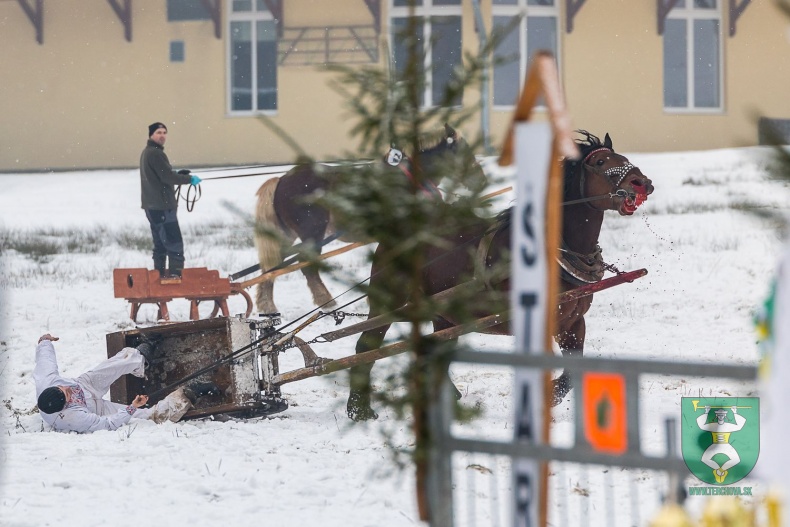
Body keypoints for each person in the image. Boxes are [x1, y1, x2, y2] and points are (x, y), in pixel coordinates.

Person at [34, 333, 214, 433]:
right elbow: (108, 424)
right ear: (65, 406)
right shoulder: (74, 419)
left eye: (62, 387)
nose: (67, 388)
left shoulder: (47, 380)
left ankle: (143, 353)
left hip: (85, 385)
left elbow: (45, 359)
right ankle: (188, 395)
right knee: (145, 417)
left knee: (113, 365)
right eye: (67, 394)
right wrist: (132, 407)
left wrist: (45, 341)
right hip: (95, 409)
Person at [139, 121, 201, 282]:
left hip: (152, 206)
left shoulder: (147, 152)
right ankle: (175, 277)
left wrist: (178, 174)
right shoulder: (156, 153)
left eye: (164, 132)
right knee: (174, 244)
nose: (162, 136)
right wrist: (188, 179)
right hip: (162, 207)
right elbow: (167, 177)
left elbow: (162, 174)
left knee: (160, 245)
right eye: (159, 132)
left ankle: (157, 277)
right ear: (151, 135)